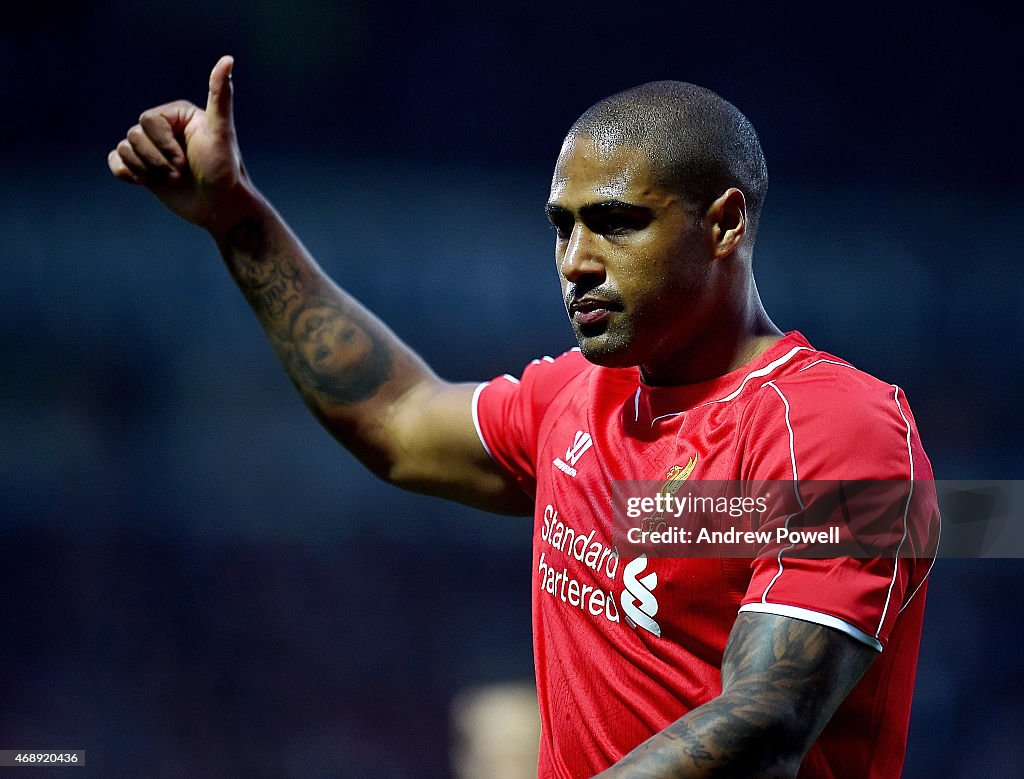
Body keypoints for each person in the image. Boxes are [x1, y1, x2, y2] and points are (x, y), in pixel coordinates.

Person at [108, 56, 938, 777]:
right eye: (562, 226)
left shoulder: (840, 430)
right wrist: (235, 218)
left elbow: (768, 721)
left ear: (724, 222)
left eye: (616, 222)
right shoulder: (578, 395)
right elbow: (399, 417)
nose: (577, 261)